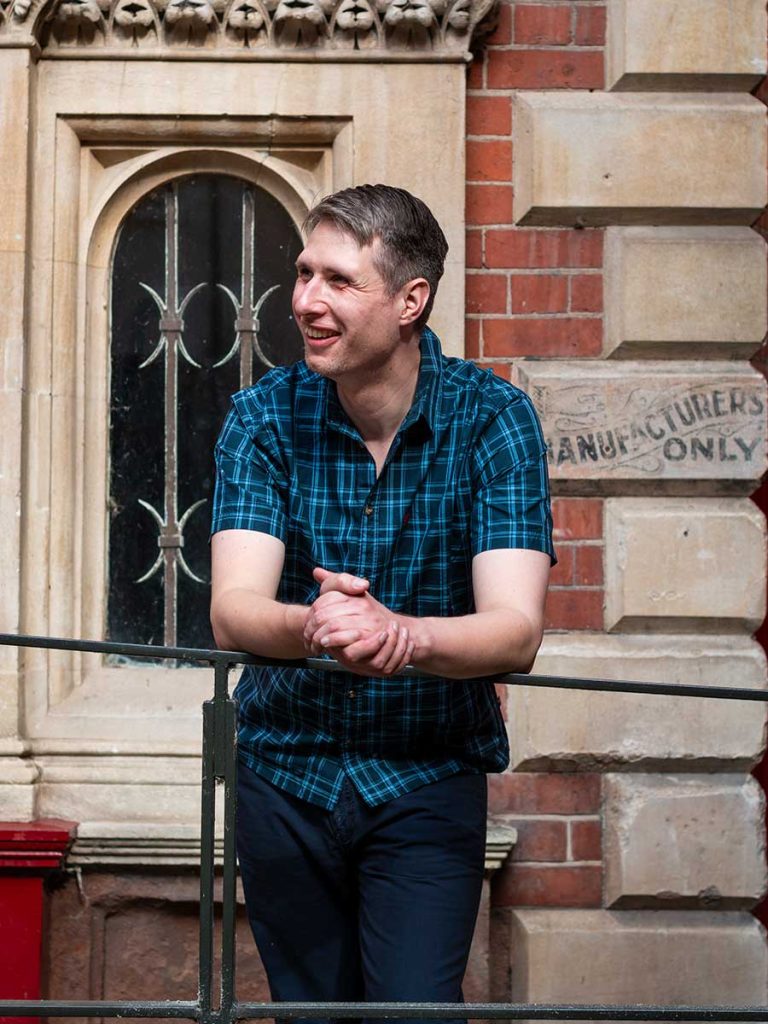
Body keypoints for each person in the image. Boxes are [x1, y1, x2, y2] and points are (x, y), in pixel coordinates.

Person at [209, 184, 555, 1024]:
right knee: (310, 1016)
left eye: (337, 280)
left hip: (423, 775)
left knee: (414, 1013)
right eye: (302, 274)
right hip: (283, 773)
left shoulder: (494, 419)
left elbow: (516, 631)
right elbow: (234, 609)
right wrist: (316, 627)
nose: (305, 301)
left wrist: (401, 634)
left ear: (411, 301)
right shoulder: (261, 417)